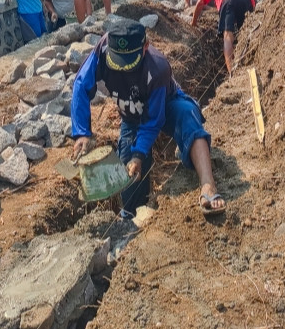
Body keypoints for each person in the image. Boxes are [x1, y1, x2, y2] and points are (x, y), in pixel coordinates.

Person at [71, 19, 226, 217]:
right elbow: (81, 85)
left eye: (128, 63)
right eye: (118, 62)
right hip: (131, 116)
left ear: (145, 47)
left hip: (166, 105)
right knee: (129, 179)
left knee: (188, 116)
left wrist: (139, 153)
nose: (124, 70)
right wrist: (82, 133)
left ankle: (208, 186)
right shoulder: (103, 48)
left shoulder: (157, 68)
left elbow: (154, 121)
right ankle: (132, 218)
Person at [191, 0, 255, 75]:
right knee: (246, 31)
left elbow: (200, 2)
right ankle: (251, 60)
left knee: (228, 35)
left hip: (228, 1)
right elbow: (253, 7)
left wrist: (193, 23)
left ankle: (231, 72)